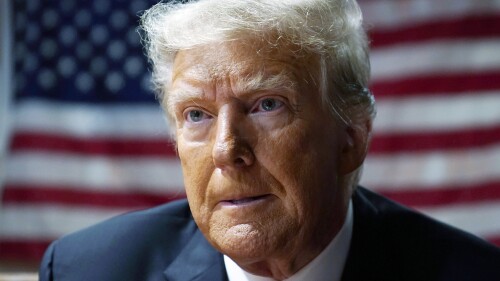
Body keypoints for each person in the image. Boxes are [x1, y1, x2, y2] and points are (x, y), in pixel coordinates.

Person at [39, 0, 500, 280]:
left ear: (352, 136)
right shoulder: (89, 271)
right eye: (196, 114)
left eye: (266, 105)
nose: (225, 150)